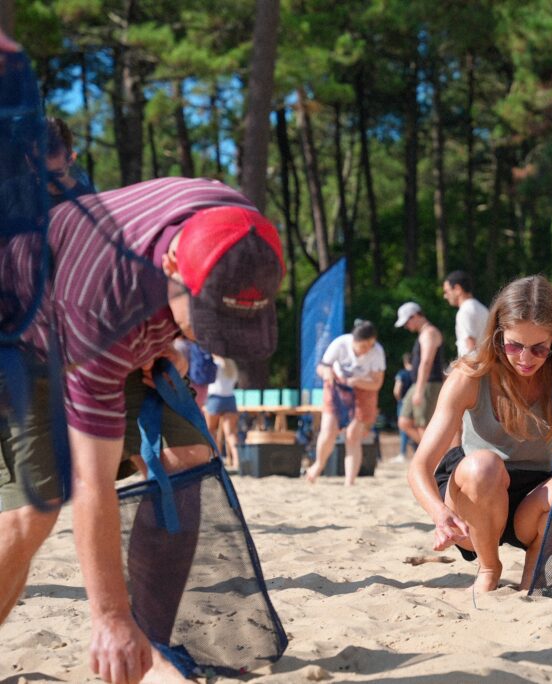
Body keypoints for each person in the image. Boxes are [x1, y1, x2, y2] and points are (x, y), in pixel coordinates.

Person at [0, 177, 284, 684]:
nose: (213, 340)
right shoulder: (102, 300)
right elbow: (92, 480)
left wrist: (169, 335)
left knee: (190, 457)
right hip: (24, 334)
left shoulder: (244, 233)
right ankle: (125, 635)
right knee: (33, 512)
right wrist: (108, 617)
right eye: (206, 319)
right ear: (172, 266)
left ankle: (152, 647)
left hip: (122, 322)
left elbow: (192, 304)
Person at [407, 276, 552, 593]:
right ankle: (489, 568)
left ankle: (534, 573)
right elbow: (419, 467)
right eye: (514, 346)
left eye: (539, 348)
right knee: (483, 466)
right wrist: (440, 515)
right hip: (475, 494)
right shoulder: (470, 373)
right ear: (498, 335)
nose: (526, 359)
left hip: (533, 497)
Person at [306, 320, 386, 485]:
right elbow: (321, 367)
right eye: (363, 346)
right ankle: (318, 465)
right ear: (354, 341)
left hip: (364, 390)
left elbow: (377, 383)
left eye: (371, 345)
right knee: (328, 430)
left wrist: (356, 381)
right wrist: (328, 374)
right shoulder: (340, 344)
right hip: (336, 387)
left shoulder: (377, 351)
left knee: (353, 436)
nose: (367, 350)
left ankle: (350, 480)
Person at [396, 302, 445, 445]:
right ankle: (433, 455)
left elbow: (426, 362)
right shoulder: (424, 334)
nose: (406, 326)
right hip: (420, 383)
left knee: (423, 425)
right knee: (404, 421)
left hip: (428, 383)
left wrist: (419, 389)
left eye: (407, 322)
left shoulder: (429, 333)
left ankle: (433, 459)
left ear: (415, 316)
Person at [205, 355, 240, 470]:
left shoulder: (215, 363)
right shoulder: (232, 365)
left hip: (215, 398)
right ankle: (237, 460)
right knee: (230, 433)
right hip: (230, 398)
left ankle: (216, 459)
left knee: (210, 431)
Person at [442, 270, 489, 357]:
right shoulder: (482, 308)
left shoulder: (464, 311)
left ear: (457, 289)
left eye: (446, 291)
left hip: (474, 368)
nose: (445, 296)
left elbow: (470, 347)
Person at [393, 352, 416, 459]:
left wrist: (399, 400)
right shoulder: (417, 373)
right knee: (416, 428)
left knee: (404, 428)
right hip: (417, 403)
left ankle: (402, 453)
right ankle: (418, 452)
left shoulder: (402, 373)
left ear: (405, 361)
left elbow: (397, 390)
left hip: (404, 403)